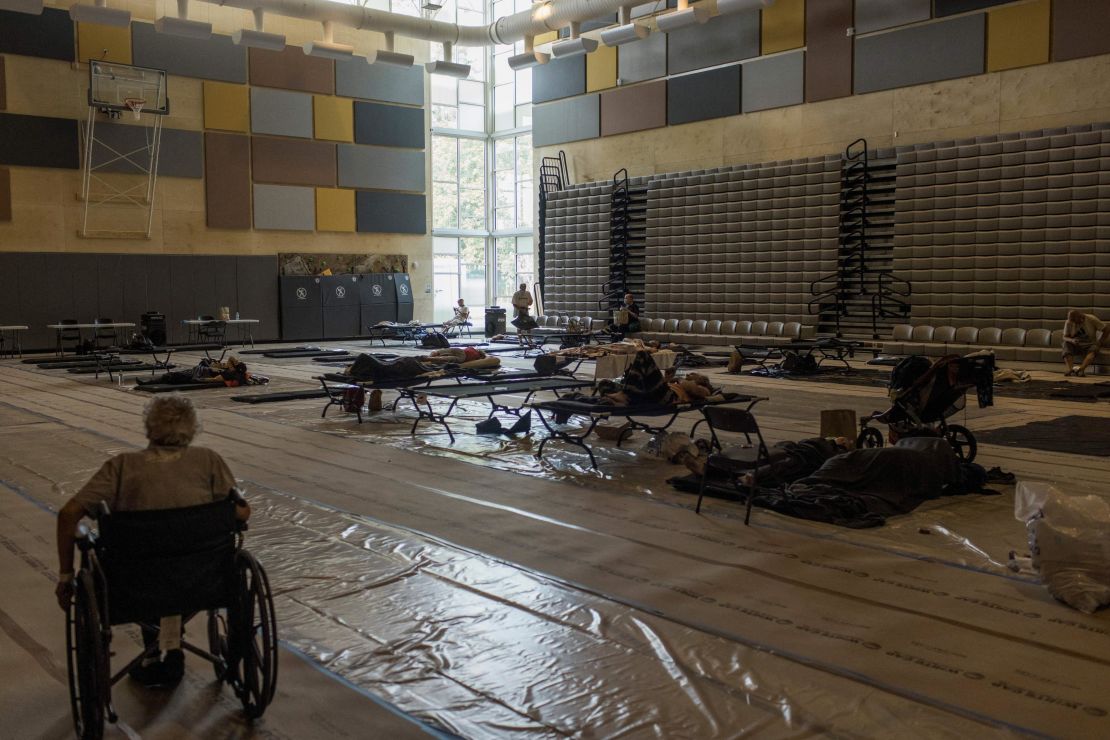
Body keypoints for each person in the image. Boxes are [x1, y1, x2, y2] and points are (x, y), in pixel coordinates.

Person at [54, 395, 249, 688]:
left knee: (144, 565)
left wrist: (66, 575)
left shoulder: (122, 467)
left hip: (135, 585)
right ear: (193, 428)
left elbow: (69, 515)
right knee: (180, 559)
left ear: (149, 427)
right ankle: (172, 652)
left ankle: (160, 654)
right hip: (203, 580)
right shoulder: (208, 460)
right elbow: (242, 511)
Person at [1062, 309, 1110, 377]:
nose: (1074, 323)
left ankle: (1081, 369)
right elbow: (1064, 337)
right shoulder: (1069, 322)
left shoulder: (1091, 319)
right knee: (1066, 344)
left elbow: (1107, 329)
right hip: (1075, 344)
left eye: (1075, 322)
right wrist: (1071, 340)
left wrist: (1100, 342)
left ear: (1081, 318)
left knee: (1094, 348)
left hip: (1090, 344)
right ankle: (1070, 369)